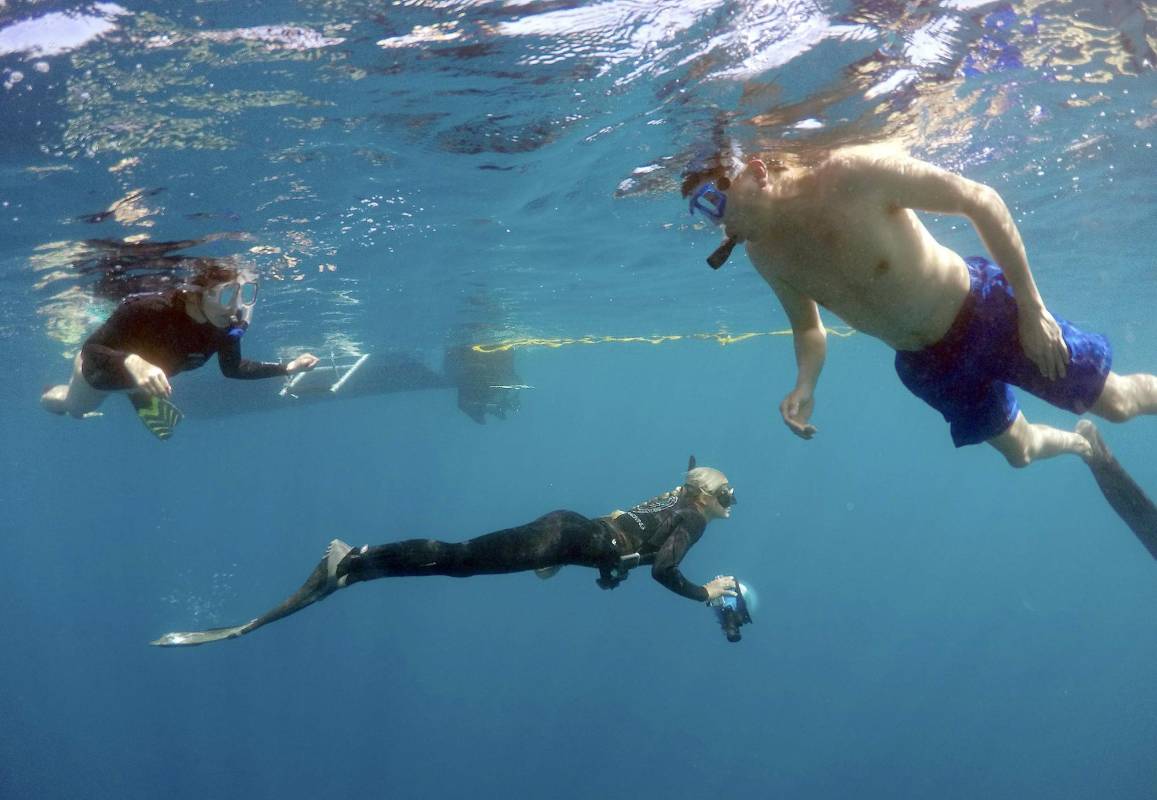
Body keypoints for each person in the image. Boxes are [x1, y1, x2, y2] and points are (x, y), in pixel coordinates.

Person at [684, 143, 1157, 468]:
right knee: (1021, 453)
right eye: (702, 214)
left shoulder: (850, 174)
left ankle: (1095, 425)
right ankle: (1082, 447)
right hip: (928, 366)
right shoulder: (765, 254)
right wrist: (805, 384)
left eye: (712, 203)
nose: (718, 225)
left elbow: (980, 199)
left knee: (1115, 403)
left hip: (986, 313)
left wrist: (1032, 309)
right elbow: (808, 328)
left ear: (756, 170)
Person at [152, 458, 740, 646]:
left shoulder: (675, 498)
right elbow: (664, 569)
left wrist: (587, 560)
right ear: (706, 497)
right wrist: (705, 594)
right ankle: (354, 557)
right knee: (458, 560)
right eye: (727, 497)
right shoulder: (694, 516)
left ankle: (359, 565)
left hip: (572, 529)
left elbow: (627, 535)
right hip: (570, 536)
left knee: (460, 561)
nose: (729, 506)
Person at [41, 260, 319, 438]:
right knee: (74, 410)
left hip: (148, 376)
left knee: (144, 381)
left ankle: (138, 392)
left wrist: (287, 368)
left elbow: (233, 368)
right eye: (226, 294)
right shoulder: (148, 309)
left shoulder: (224, 326)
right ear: (197, 294)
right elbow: (91, 349)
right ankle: (50, 397)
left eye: (244, 294)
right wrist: (133, 363)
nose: (235, 306)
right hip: (100, 375)